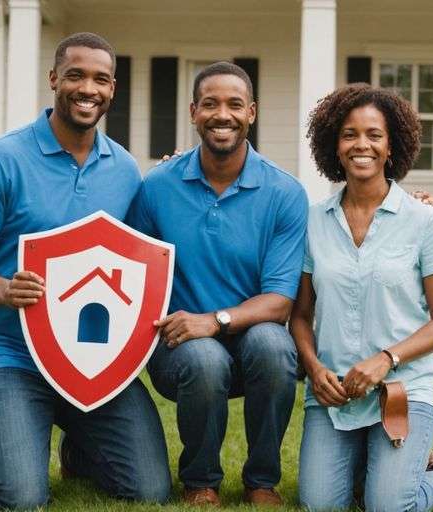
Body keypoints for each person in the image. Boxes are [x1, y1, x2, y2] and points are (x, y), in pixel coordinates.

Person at [0, 32, 171, 509]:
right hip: (9, 353)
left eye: (101, 79)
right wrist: (6, 289)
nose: (88, 88)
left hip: (88, 359)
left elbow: (133, 259)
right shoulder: (1, 160)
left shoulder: (125, 170)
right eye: (76, 75)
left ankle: (78, 441)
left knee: (149, 488)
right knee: (22, 499)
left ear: (113, 89)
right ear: (54, 79)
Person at [290, 83, 433, 512]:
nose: (362, 145)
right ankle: (370, 467)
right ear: (333, 146)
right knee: (320, 504)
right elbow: (301, 314)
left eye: (374, 135)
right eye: (349, 134)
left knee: (390, 507)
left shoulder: (424, 222)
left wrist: (385, 359)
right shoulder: (314, 222)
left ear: (391, 145)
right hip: (334, 390)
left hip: (404, 387)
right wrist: (314, 368)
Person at [126, 61, 306, 507]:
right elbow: (132, 269)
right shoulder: (157, 187)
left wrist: (215, 320)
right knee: (205, 359)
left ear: (252, 113)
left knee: (273, 344)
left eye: (234, 104)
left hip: (252, 347)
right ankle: (200, 480)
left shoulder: (284, 193)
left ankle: (261, 480)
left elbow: (280, 301)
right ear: (193, 112)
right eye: (210, 104)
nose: (221, 114)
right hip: (178, 350)